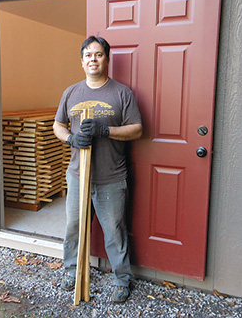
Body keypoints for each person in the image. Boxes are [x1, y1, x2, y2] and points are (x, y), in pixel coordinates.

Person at [53, 36, 143, 303]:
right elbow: (58, 125)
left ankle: (122, 280)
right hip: (78, 175)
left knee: (114, 231)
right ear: (82, 62)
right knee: (73, 227)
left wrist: (107, 131)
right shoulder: (70, 93)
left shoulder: (122, 93)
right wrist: (70, 138)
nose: (93, 59)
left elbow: (137, 129)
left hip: (111, 178)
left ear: (107, 58)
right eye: (88, 55)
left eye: (99, 54)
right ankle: (72, 270)